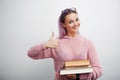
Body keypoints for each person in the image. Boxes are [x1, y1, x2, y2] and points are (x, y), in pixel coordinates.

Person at [27, 8, 103, 80]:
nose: (76, 24)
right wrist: (45, 45)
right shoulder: (56, 44)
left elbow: (98, 70)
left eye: (77, 20)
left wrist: (78, 77)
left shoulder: (87, 43)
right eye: (71, 22)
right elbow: (31, 54)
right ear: (63, 24)